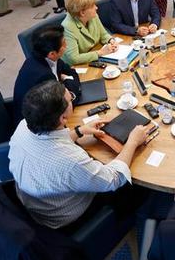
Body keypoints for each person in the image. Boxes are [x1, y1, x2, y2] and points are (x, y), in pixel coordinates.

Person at [8, 80, 150, 230]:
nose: (72, 97)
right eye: (71, 100)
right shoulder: (69, 160)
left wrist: (78, 131)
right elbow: (113, 179)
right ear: (63, 118)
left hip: (37, 202)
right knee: (135, 185)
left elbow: (48, 143)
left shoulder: (23, 125)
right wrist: (133, 142)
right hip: (64, 218)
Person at [13, 25, 80, 125]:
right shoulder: (43, 76)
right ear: (52, 53)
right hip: (36, 125)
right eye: (64, 44)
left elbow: (71, 71)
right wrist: (67, 80)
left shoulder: (48, 57)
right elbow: (65, 106)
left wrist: (67, 79)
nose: (66, 46)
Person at [61, 0, 118, 65]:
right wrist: (100, 53)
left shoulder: (93, 16)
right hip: (76, 66)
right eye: (92, 6)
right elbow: (73, 58)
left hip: (91, 55)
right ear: (82, 13)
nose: (96, 8)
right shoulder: (67, 26)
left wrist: (111, 40)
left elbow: (103, 34)